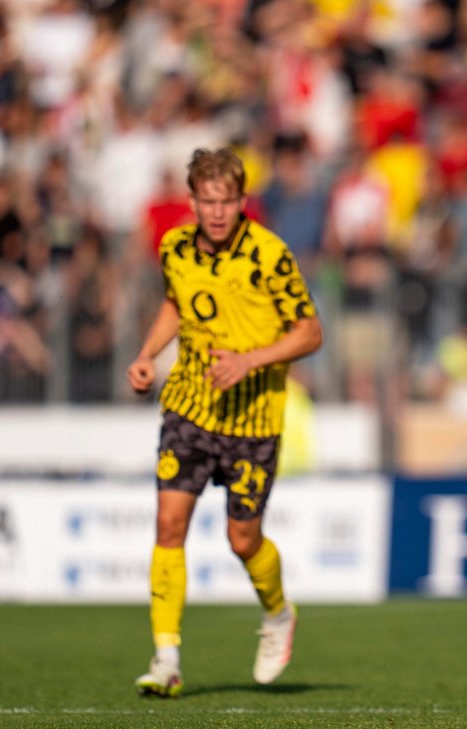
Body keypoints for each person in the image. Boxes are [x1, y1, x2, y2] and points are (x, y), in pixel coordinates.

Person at [126, 147, 324, 698]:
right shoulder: (174, 247)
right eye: (207, 201)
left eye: (227, 201)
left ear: (242, 201)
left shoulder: (269, 255)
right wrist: (148, 354)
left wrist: (250, 360)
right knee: (169, 525)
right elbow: (175, 303)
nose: (216, 212)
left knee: (242, 539)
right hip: (189, 405)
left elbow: (310, 332)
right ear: (192, 201)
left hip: (254, 417)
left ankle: (279, 613)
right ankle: (166, 658)